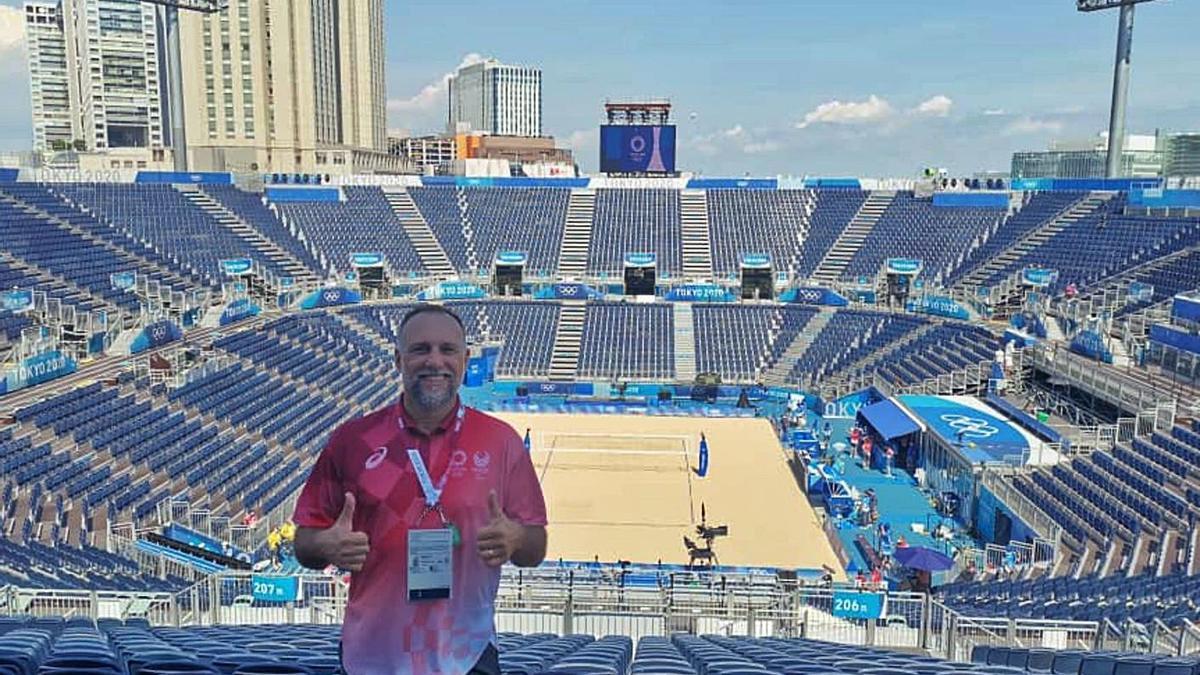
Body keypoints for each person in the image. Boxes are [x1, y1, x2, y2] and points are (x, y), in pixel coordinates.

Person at [293, 304, 548, 675]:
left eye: (447, 350)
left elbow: (536, 548)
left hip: (467, 656)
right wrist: (324, 546)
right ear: (398, 359)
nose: (434, 361)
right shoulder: (354, 440)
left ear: (465, 359)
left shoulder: (500, 442)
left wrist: (516, 538)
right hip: (371, 657)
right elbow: (304, 544)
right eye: (420, 349)